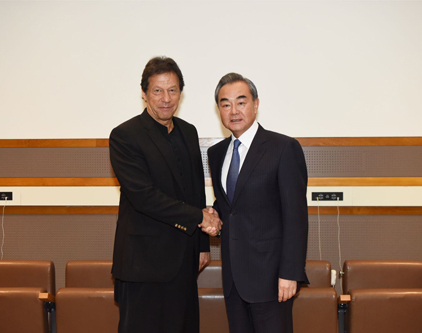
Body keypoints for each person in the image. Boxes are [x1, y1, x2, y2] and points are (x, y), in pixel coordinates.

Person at [109, 56, 222, 333]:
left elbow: (196, 187)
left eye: (172, 90)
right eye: (157, 90)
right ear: (144, 93)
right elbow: (143, 196)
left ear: (180, 93)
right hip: (142, 264)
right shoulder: (125, 135)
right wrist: (200, 218)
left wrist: (202, 246)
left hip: (183, 262)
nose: (165, 98)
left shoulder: (188, 131)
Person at [207, 73, 309, 333]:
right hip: (233, 280)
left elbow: (296, 217)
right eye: (225, 104)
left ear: (256, 104)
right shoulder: (216, 153)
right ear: (219, 109)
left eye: (241, 102)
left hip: (272, 279)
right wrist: (212, 214)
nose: (234, 110)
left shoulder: (283, 148)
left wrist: (290, 273)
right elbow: (230, 205)